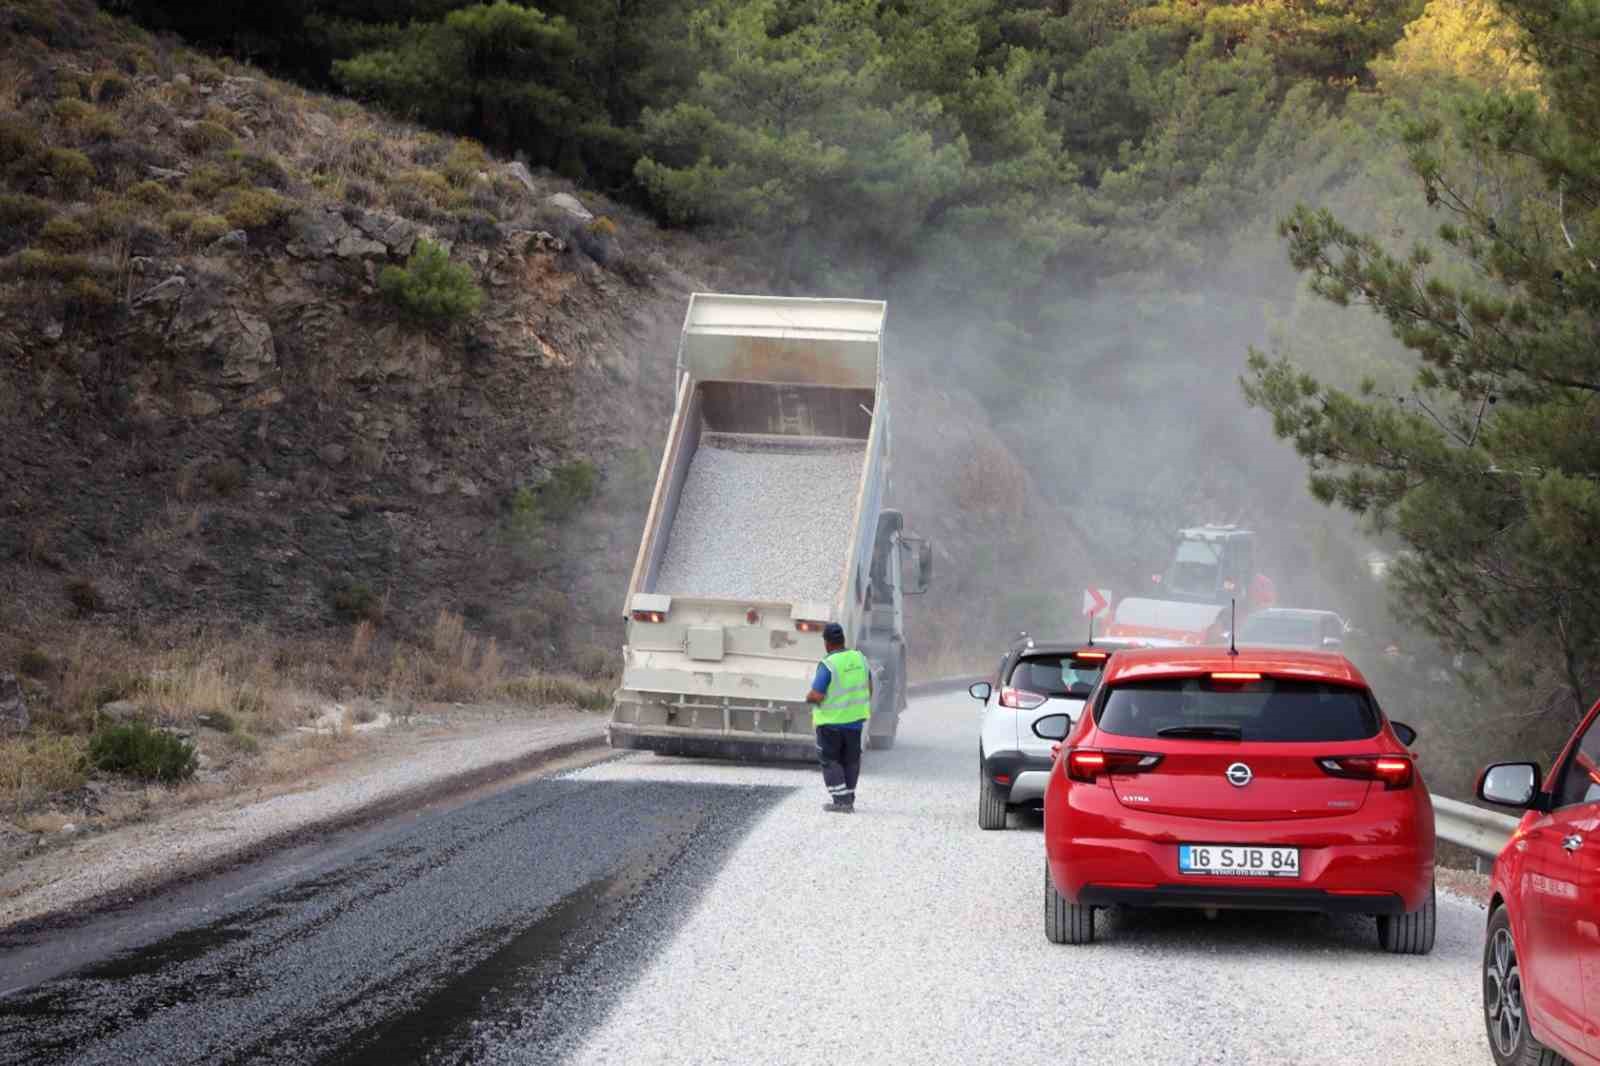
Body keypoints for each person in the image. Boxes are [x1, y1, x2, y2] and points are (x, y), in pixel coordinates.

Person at [806, 622, 872, 813]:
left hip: (831, 723)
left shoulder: (828, 665)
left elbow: (817, 694)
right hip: (855, 724)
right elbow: (869, 688)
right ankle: (849, 798)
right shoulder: (860, 658)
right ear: (843, 639)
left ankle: (841, 801)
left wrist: (809, 698)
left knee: (830, 760)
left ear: (827, 643)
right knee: (850, 760)